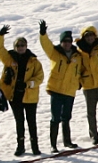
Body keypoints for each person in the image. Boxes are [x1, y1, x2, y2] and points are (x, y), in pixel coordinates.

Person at [0, 27, 46, 155]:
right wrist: (0, 36)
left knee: (31, 121)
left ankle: (35, 146)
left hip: (30, 96)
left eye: (22, 45)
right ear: (15, 47)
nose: (20, 47)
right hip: (15, 96)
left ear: (26, 46)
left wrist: (28, 84)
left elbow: (40, 77)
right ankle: (20, 146)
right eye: (18, 45)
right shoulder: (9, 59)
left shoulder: (34, 61)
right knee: (19, 121)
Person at [37, 21, 86, 150]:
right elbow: (46, 45)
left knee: (66, 117)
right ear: (61, 42)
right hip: (56, 90)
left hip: (70, 91)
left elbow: (81, 71)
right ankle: (53, 145)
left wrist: (79, 83)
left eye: (69, 41)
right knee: (55, 118)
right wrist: (43, 34)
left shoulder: (78, 56)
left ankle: (67, 141)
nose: (67, 44)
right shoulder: (55, 53)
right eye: (64, 41)